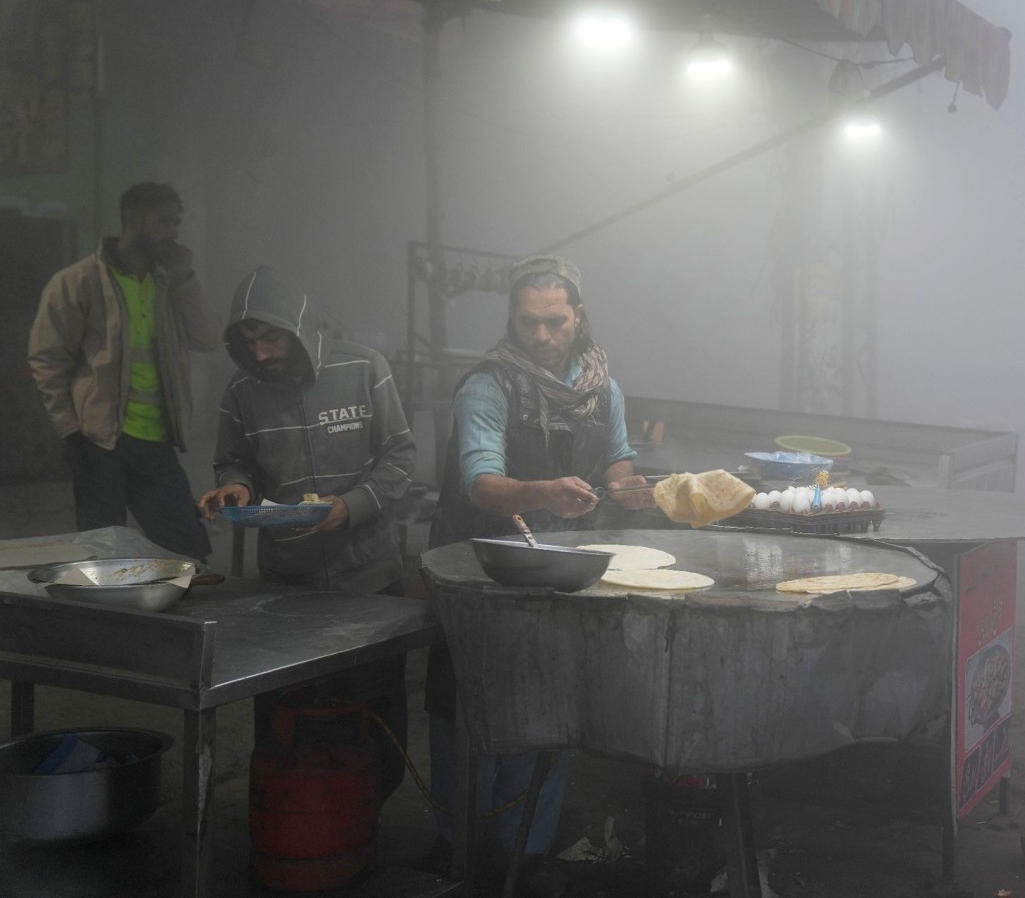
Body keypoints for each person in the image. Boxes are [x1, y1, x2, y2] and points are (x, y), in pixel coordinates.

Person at [424, 254, 651, 870]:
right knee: (467, 706)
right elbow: (480, 484)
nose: (544, 336)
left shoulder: (603, 388)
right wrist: (546, 490)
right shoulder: (488, 386)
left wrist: (637, 488)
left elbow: (619, 463)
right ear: (513, 321)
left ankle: (526, 852)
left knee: (550, 704)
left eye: (556, 322)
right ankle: (459, 847)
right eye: (530, 324)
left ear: (577, 316)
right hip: (477, 572)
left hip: (560, 576)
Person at [196, 266, 417, 801]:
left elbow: (401, 457)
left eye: (271, 338)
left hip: (369, 578)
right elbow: (234, 461)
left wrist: (352, 506)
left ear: (299, 329)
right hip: (287, 584)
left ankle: (369, 816)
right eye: (249, 343)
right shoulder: (242, 390)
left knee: (374, 712)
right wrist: (235, 490)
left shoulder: (365, 368)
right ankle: (296, 814)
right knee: (289, 717)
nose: (263, 353)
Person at [28, 181, 218, 561]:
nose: (173, 232)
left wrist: (186, 278)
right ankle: (109, 621)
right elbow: (46, 358)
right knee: (102, 553)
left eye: (176, 223)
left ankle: (177, 617)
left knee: (189, 549)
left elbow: (207, 337)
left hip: (158, 440)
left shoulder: (169, 282)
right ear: (132, 218)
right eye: (164, 221)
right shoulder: (78, 281)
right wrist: (71, 429)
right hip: (99, 441)